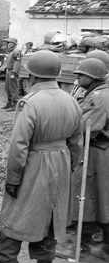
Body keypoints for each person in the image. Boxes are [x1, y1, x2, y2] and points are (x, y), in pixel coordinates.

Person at [0, 50, 84, 263]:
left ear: (32, 75)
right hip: (61, 164)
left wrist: (12, 179)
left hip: (34, 165)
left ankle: (6, 257)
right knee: (51, 217)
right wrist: (67, 167)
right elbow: (77, 143)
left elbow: (19, 146)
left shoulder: (29, 102)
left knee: (15, 218)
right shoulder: (71, 101)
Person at [57, 58, 109, 261]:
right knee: (102, 200)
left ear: (93, 76)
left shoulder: (99, 97)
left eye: (81, 74)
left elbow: (87, 125)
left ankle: (82, 248)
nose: (77, 77)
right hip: (99, 150)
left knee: (85, 200)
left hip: (95, 152)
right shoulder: (99, 92)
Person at [2, 37, 21, 111]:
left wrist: (14, 72)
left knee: (13, 88)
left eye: (9, 43)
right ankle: (9, 103)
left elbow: (17, 62)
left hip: (12, 71)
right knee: (7, 88)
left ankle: (15, 104)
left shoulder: (16, 51)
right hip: (8, 70)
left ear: (13, 44)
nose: (7, 44)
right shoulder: (10, 51)